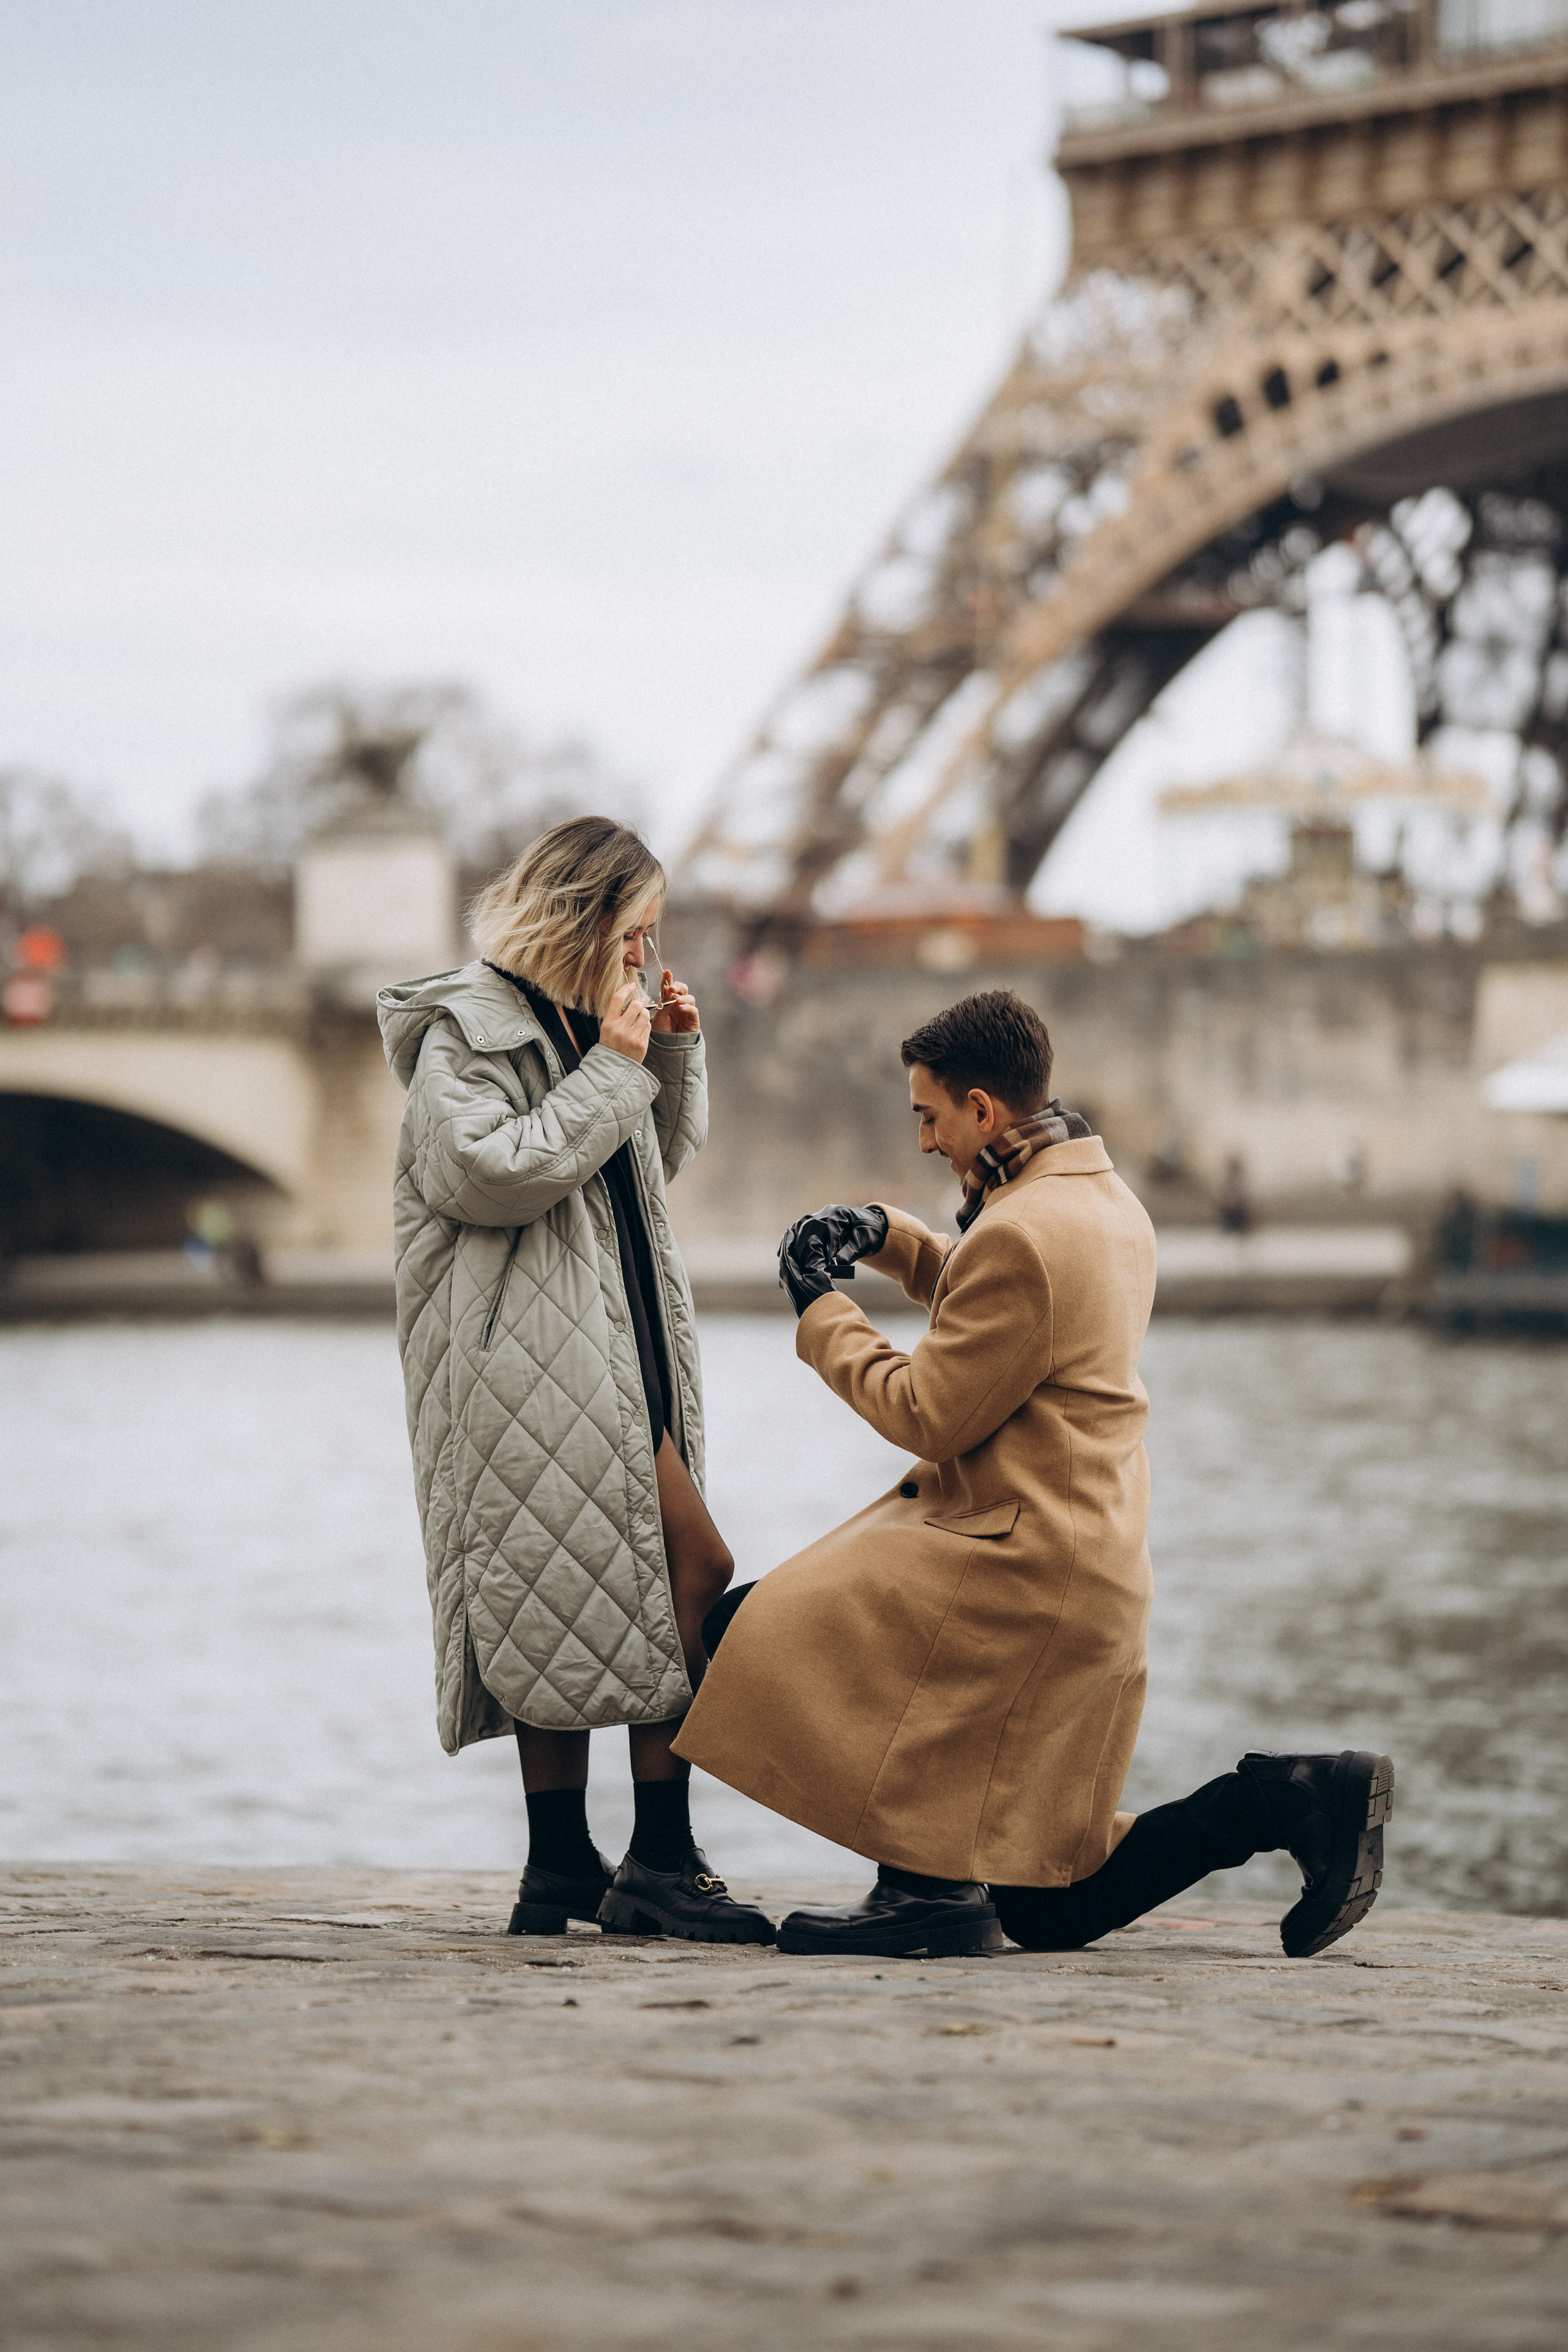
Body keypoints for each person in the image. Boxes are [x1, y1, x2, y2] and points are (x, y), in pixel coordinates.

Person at [677, 988, 1393, 1961]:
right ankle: (1289, 1799)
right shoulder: (1100, 1199)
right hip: (1090, 1566)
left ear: (983, 1109)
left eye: (930, 1116)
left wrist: (820, 1311)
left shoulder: (1024, 1230)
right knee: (1050, 1910)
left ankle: (925, 1891)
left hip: (1014, 1571)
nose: (925, 1141)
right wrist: (884, 1236)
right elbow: (1010, 1314)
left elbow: (931, 1408)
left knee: (745, 1630)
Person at [377, 816, 772, 1946]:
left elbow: (646, 1165)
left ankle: (559, 1867)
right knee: (686, 1571)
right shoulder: (472, 1033)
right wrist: (618, 1066)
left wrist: (671, 1056)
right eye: (637, 931)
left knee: (578, 1599)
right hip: (529, 1366)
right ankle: (658, 1857)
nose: (648, 955)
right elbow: (494, 1175)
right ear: (583, 918)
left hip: (612, 1344)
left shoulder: (581, 1021)